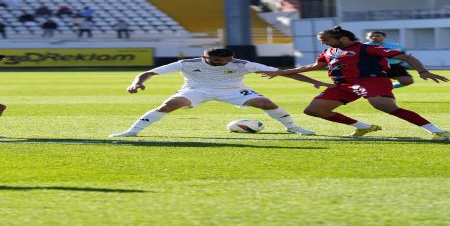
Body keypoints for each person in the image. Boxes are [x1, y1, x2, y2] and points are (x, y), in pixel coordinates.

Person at [261, 26, 450, 141]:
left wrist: (423, 71)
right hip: (345, 86)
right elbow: (313, 66)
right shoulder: (329, 52)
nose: (323, 43)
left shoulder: (366, 48)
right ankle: (363, 126)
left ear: (342, 38)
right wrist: (281, 72)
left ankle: (437, 131)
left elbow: (404, 56)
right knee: (313, 110)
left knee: (385, 106)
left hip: (371, 80)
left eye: (326, 40)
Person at [109, 47, 329, 137]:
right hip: (197, 90)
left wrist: (312, 82)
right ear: (206, 58)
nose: (223, 63)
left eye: (226, 60)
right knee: (170, 105)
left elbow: (284, 72)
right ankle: (132, 131)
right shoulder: (187, 63)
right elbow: (149, 72)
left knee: (266, 103)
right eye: (217, 60)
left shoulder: (243, 64)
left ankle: (293, 127)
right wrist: (136, 83)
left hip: (234, 90)